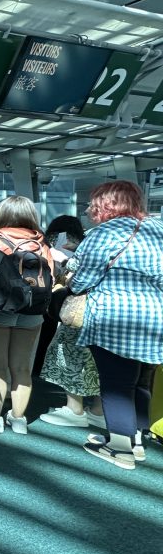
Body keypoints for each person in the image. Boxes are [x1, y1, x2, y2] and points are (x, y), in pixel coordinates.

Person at [69, 181, 163, 469]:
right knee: (141, 379)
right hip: (155, 316)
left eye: (93, 204)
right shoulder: (158, 229)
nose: (89, 209)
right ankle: (136, 440)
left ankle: (120, 447)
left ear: (105, 206)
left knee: (116, 383)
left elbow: (82, 281)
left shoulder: (103, 233)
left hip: (113, 318)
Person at [0, 196, 53, 436]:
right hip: (33, 311)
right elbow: (52, 275)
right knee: (22, 367)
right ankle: (18, 419)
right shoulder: (41, 244)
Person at [33, 215, 86, 379]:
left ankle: (37, 365)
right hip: (70, 293)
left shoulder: (47, 239)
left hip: (46, 289)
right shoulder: (81, 241)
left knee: (44, 330)